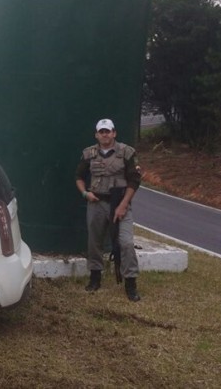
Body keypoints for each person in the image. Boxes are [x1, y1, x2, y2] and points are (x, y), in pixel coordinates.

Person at [75, 118, 142, 302]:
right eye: (101, 132)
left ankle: (130, 283)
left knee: (126, 243)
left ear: (114, 133)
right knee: (94, 241)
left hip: (120, 203)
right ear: (97, 135)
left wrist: (123, 205)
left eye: (108, 131)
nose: (105, 135)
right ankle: (95, 277)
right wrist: (85, 193)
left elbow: (134, 181)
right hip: (96, 202)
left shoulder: (127, 152)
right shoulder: (89, 153)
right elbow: (79, 176)